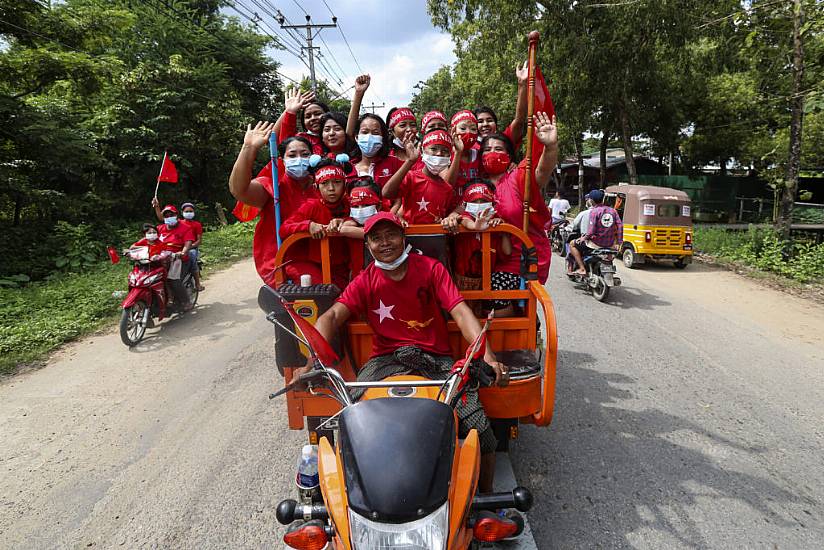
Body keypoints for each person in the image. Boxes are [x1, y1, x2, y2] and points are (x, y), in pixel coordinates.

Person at [298, 212, 508, 493]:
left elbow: (460, 312)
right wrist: (311, 360)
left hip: (436, 361)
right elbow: (332, 316)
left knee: (480, 429)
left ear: (403, 237)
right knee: (353, 422)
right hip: (385, 361)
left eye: (391, 235)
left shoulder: (431, 269)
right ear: (368, 245)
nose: (385, 243)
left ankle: (487, 501)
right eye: (376, 238)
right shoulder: (365, 279)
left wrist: (488, 356)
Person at [478, 114, 558, 315]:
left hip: (519, 261)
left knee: (492, 313)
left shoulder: (518, 176)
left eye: (498, 149)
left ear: (509, 155)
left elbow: (541, 173)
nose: (492, 153)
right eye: (487, 150)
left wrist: (550, 147)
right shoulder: (475, 184)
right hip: (480, 263)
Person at [228, 121, 317, 284]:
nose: (299, 159)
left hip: (320, 260)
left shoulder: (323, 187)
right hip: (280, 264)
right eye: (292, 155)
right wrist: (249, 148)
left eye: (305, 154)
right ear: (281, 160)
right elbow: (239, 190)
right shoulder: (273, 187)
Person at [279, 156, 352, 289]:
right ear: (316, 187)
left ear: (345, 185)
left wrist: (346, 222)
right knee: (321, 295)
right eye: (325, 183)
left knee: (342, 299)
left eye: (336, 182)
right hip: (308, 263)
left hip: (339, 267)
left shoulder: (351, 205)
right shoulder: (311, 206)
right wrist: (308, 225)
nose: (331, 188)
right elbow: (284, 228)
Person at [381, 129, 462, 227]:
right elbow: (386, 193)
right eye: (434, 149)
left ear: (449, 156)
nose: (439, 153)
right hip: (410, 237)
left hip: (436, 238)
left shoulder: (447, 188)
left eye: (445, 151)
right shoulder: (411, 177)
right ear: (423, 150)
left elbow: (449, 214)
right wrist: (410, 161)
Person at [453, 182, 512, 314]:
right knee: (462, 317)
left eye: (483, 201)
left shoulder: (495, 223)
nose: (479, 205)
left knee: (482, 318)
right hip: (462, 282)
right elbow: (462, 219)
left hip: (486, 281)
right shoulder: (465, 219)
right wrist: (475, 226)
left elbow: (507, 252)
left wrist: (503, 231)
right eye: (475, 201)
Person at [345, 79, 404, 189]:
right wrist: (358, 93)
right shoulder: (348, 168)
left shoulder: (394, 164)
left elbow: (401, 199)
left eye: (375, 133)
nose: (369, 137)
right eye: (365, 132)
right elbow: (348, 133)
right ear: (356, 137)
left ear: (382, 138)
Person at [475, 61, 529, 149]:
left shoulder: (504, 141)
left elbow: (519, 121)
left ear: (496, 124)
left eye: (489, 120)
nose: (485, 124)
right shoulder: (469, 151)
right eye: (480, 122)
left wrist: (522, 84)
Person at [569, 188, 623, 275]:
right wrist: (619, 242)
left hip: (595, 244)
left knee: (572, 244)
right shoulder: (613, 211)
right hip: (610, 244)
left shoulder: (594, 212)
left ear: (591, 200)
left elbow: (591, 230)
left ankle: (582, 269)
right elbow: (620, 226)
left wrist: (583, 238)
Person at [156, 204, 194, 311]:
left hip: (178, 260)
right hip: (160, 260)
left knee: (172, 280)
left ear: (176, 215)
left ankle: (186, 301)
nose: (169, 217)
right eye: (166, 216)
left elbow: (188, 243)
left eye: (171, 215)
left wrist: (183, 252)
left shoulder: (185, 228)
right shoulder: (159, 229)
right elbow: (147, 240)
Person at [273, 88, 327, 155]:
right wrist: (289, 110)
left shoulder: (339, 135)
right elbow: (275, 139)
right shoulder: (300, 139)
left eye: (318, 114)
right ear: (303, 122)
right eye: (308, 116)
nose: (313, 118)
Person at [450, 110, 482, 192]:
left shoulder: (479, 153)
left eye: (473, 129)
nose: (468, 132)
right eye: (463, 128)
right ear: (453, 131)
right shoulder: (445, 154)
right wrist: (458, 153)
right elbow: (448, 184)